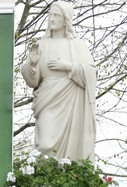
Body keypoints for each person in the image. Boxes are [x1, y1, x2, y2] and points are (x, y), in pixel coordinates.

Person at [20, 1, 96, 161]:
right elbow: (33, 81)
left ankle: (68, 182)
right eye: (50, 15)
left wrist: (68, 66)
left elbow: (91, 73)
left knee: (72, 150)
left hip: (71, 101)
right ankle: (42, 184)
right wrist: (32, 64)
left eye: (56, 15)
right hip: (47, 99)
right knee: (45, 144)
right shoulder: (41, 44)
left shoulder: (77, 45)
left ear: (65, 19)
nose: (52, 19)